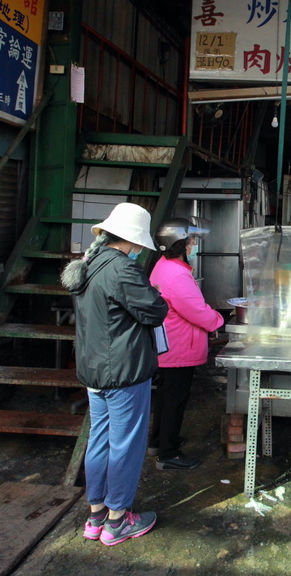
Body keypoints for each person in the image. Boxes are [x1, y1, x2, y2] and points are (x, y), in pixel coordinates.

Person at [60, 202, 168, 546]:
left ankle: (96, 517)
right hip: (124, 372)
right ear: (133, 239)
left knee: (100, 441)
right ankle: (119, 520)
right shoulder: (123, 269)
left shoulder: (90, 264)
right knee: (126, 446)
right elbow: (155, 311)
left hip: (94, 371)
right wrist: (157, 298)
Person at [147, 217, 224, 471]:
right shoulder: (176, 275)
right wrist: (219, 320)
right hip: (180, 346)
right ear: (179, 244)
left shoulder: (163, 266)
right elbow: (196, 310)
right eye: (190, 240)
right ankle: (168, 455)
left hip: (169, 344)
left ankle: (158, 442)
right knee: (174, 400)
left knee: (166, 398)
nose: (193, 244)